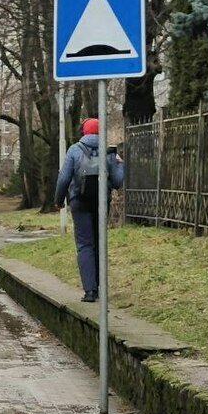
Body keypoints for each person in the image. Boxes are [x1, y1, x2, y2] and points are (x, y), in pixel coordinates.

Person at [54, 117, 125, 303]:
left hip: (80, 201)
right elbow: (117, 182)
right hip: (101, 202)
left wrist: (58, 200)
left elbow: (63, 178)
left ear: (84, 132)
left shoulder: (75, 150)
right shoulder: (109, 152)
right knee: (99, 242)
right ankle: (100, 286)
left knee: (85, 244)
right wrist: (120, 163)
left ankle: (90, 291)